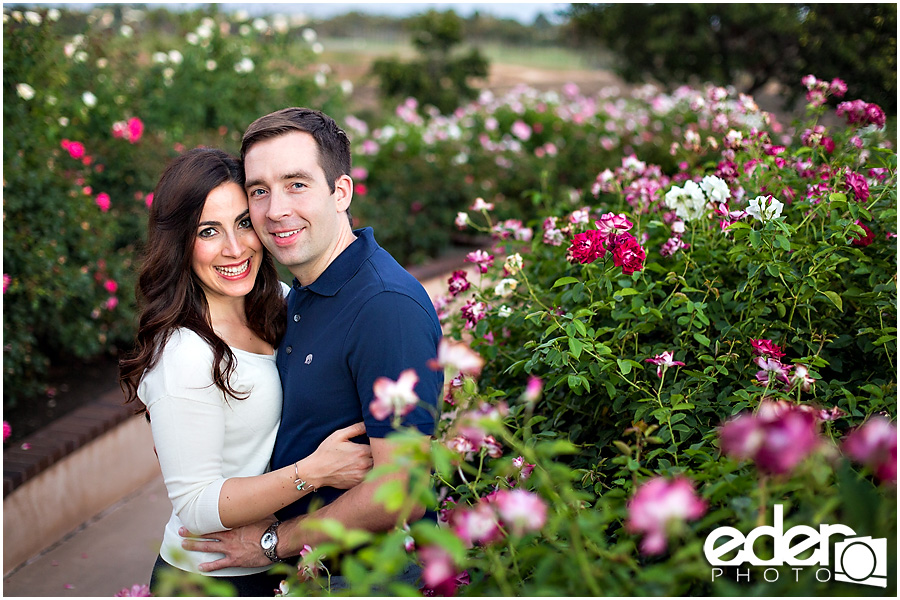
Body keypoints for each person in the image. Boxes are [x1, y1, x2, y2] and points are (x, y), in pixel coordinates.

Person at [179, 108, 443, 588]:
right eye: (259, 190)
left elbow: (400, 491)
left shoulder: (384, 307)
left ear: (340, 191)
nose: (276, 210)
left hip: (360, 579)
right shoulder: (296, 292)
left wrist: (273, 540)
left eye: (296, 184)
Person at [118, 147, 374, 597]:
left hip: (273, 559)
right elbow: (196, 505)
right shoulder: (184, 352)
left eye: (242, 223)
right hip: (208, 580)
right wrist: (313, 472)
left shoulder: (275, 301)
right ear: (180, 242)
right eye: (208, 231)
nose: (234, 248)